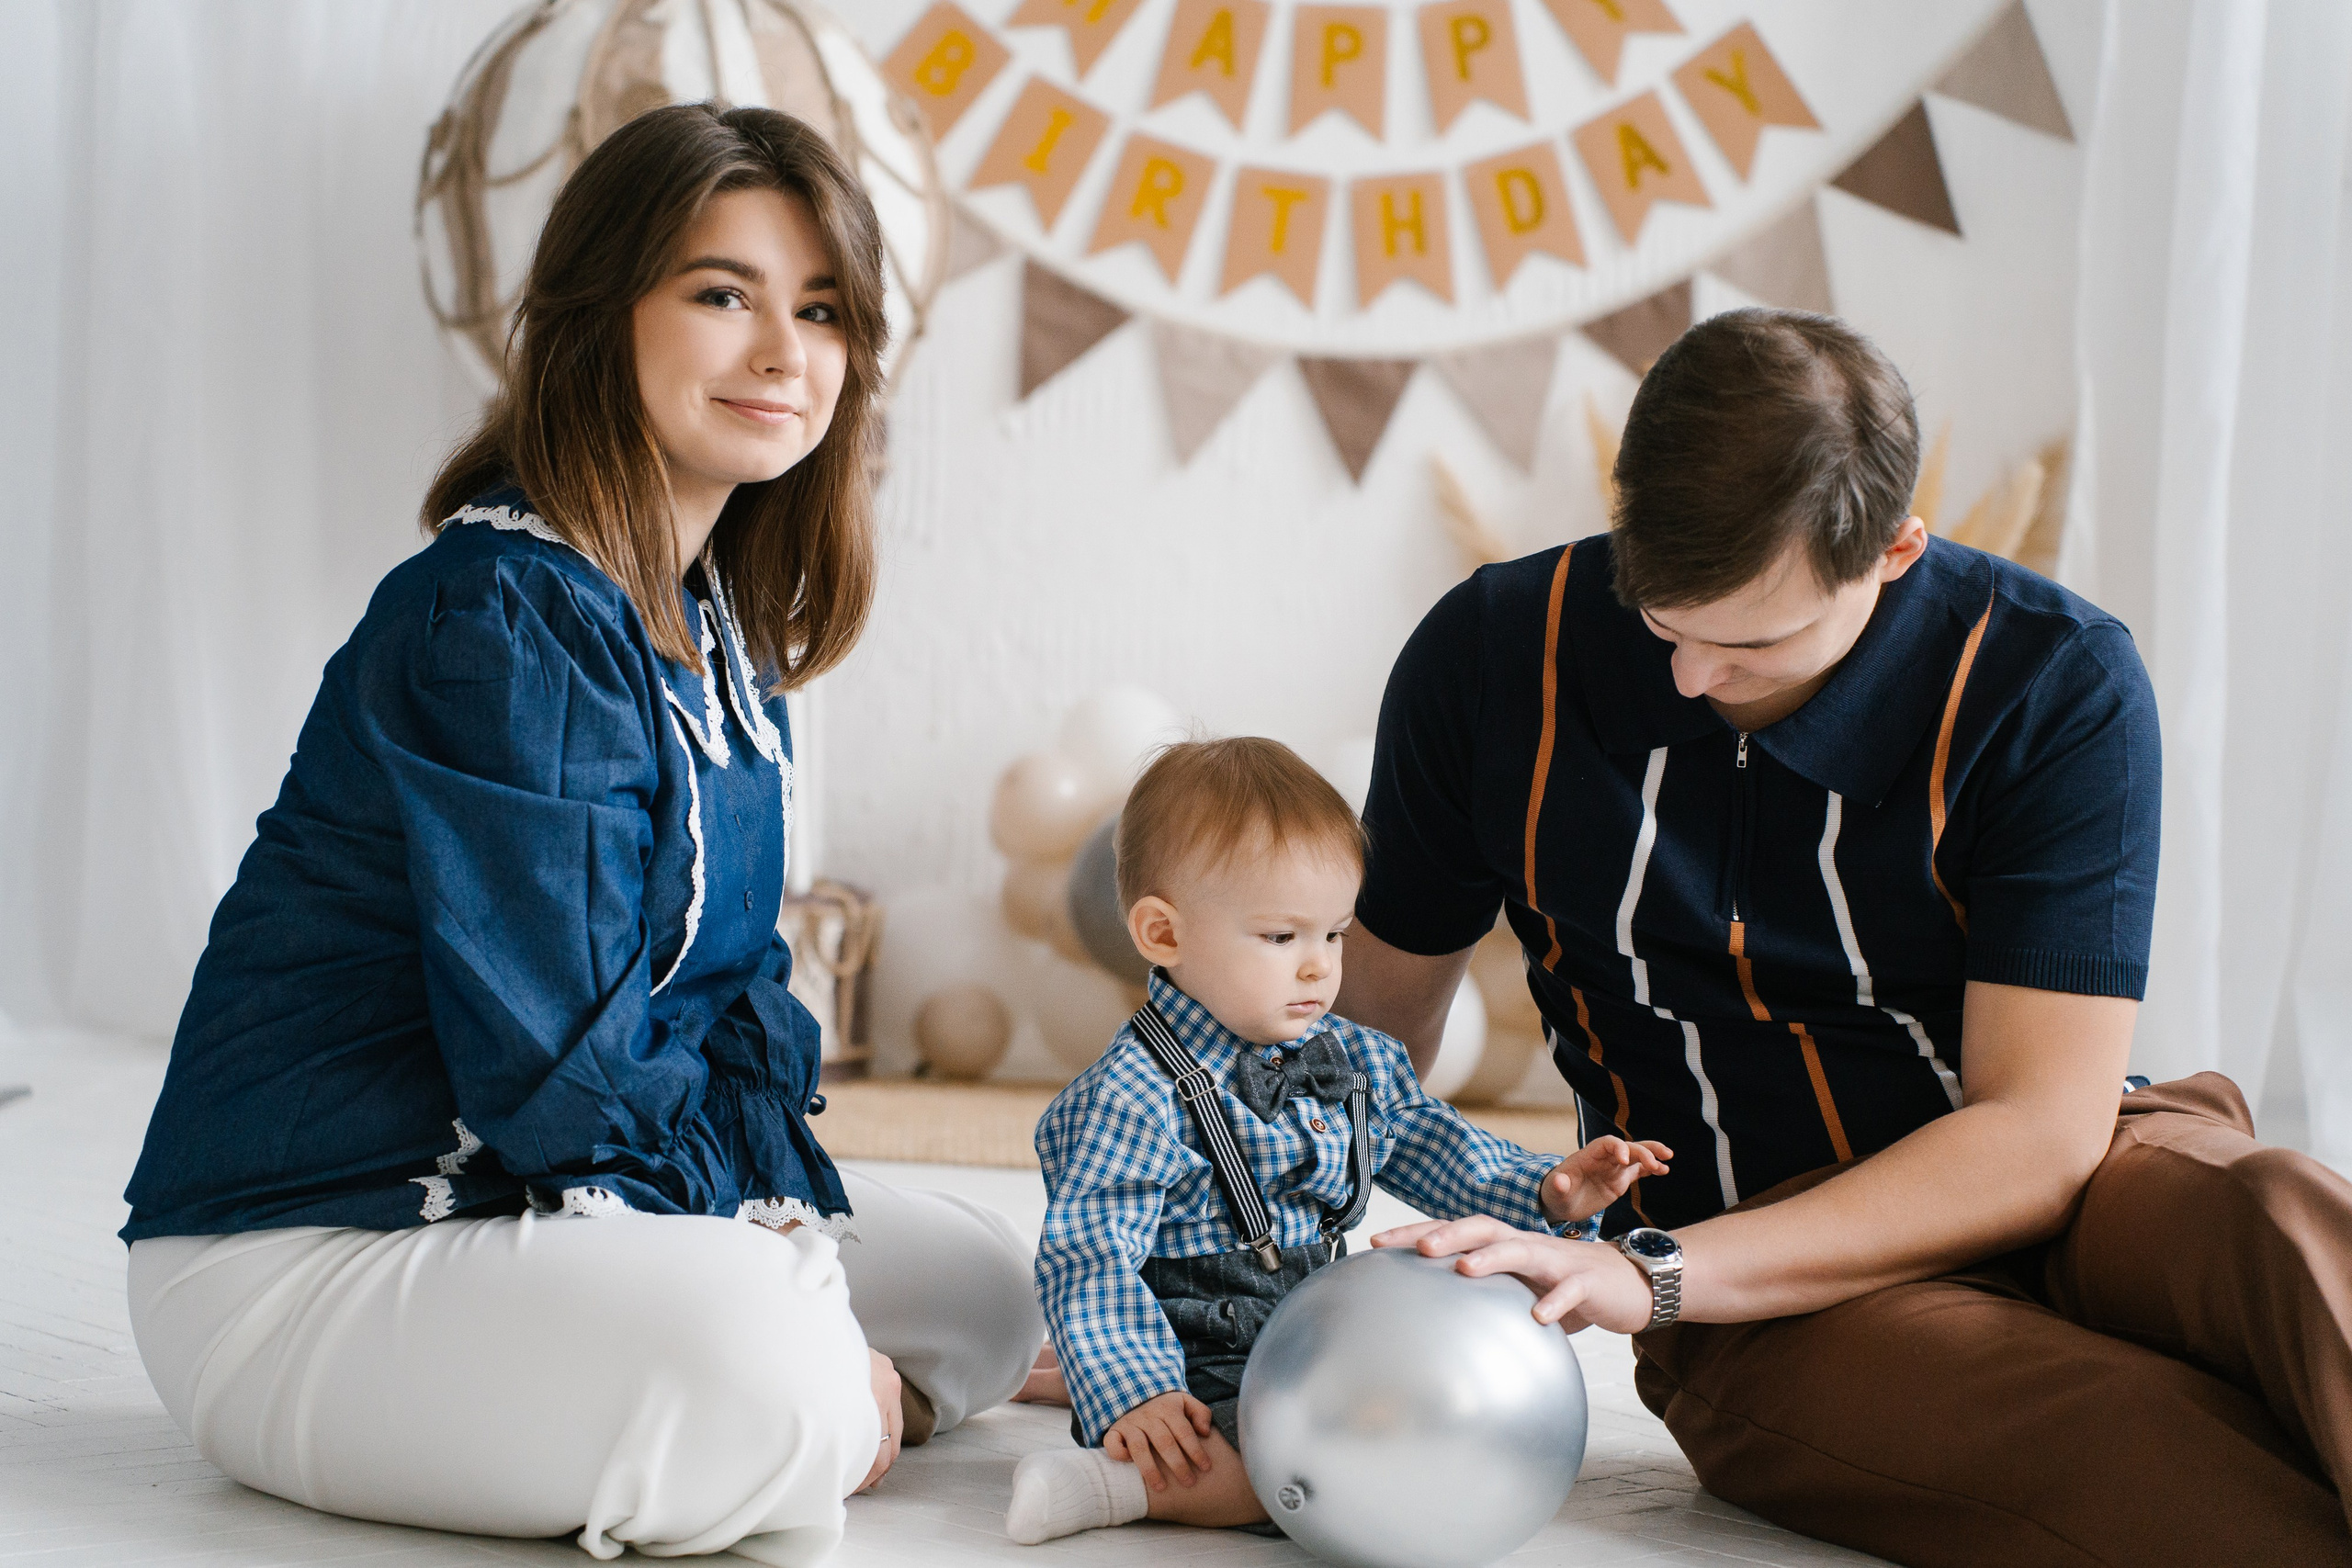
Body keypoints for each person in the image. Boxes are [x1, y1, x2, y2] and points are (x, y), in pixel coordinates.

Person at [118, 105, 1041, 1567]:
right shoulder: (497, 615)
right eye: (721, 293)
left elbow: (725, 1005)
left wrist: (788, 1242)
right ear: (599, 311)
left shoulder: (710, 624)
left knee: (989, 1295)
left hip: (531, 1206)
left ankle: (777, 1386)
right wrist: (812, 1339)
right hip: (321, 1254)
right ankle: (792, 1409)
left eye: (820, 310)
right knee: (781, 1367)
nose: (782, 354)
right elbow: (561, 1074)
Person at [1341, 308, 2352, 1566]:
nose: (1694, 676)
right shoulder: (1491, 658)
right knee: (2137, 1443)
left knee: (2286, 1210)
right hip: (1744, 1269)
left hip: (2067, 1163)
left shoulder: (2054, 679)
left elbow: (2040, 1129)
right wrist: (1211, 1323)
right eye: (1665, 618)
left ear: (1895, 550)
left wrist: (1641, 1271)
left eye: (1754, 639)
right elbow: (1344, 1049)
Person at [1004, 737, 1669, 1545]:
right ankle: (1112, 1484)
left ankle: (1092, 1396)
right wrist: (1133, 1388)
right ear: (1163, 934)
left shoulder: (1351, 1056)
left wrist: (1546, 1191)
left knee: (1403, 1421)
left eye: (1335, 935)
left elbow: (1433, 1144)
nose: (1319, 968)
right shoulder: (1135, 1095)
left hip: (1309, 1324)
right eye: (1283, 939)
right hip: (1192, 1344)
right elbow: (1090, 1256)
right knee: (1311, 1476)